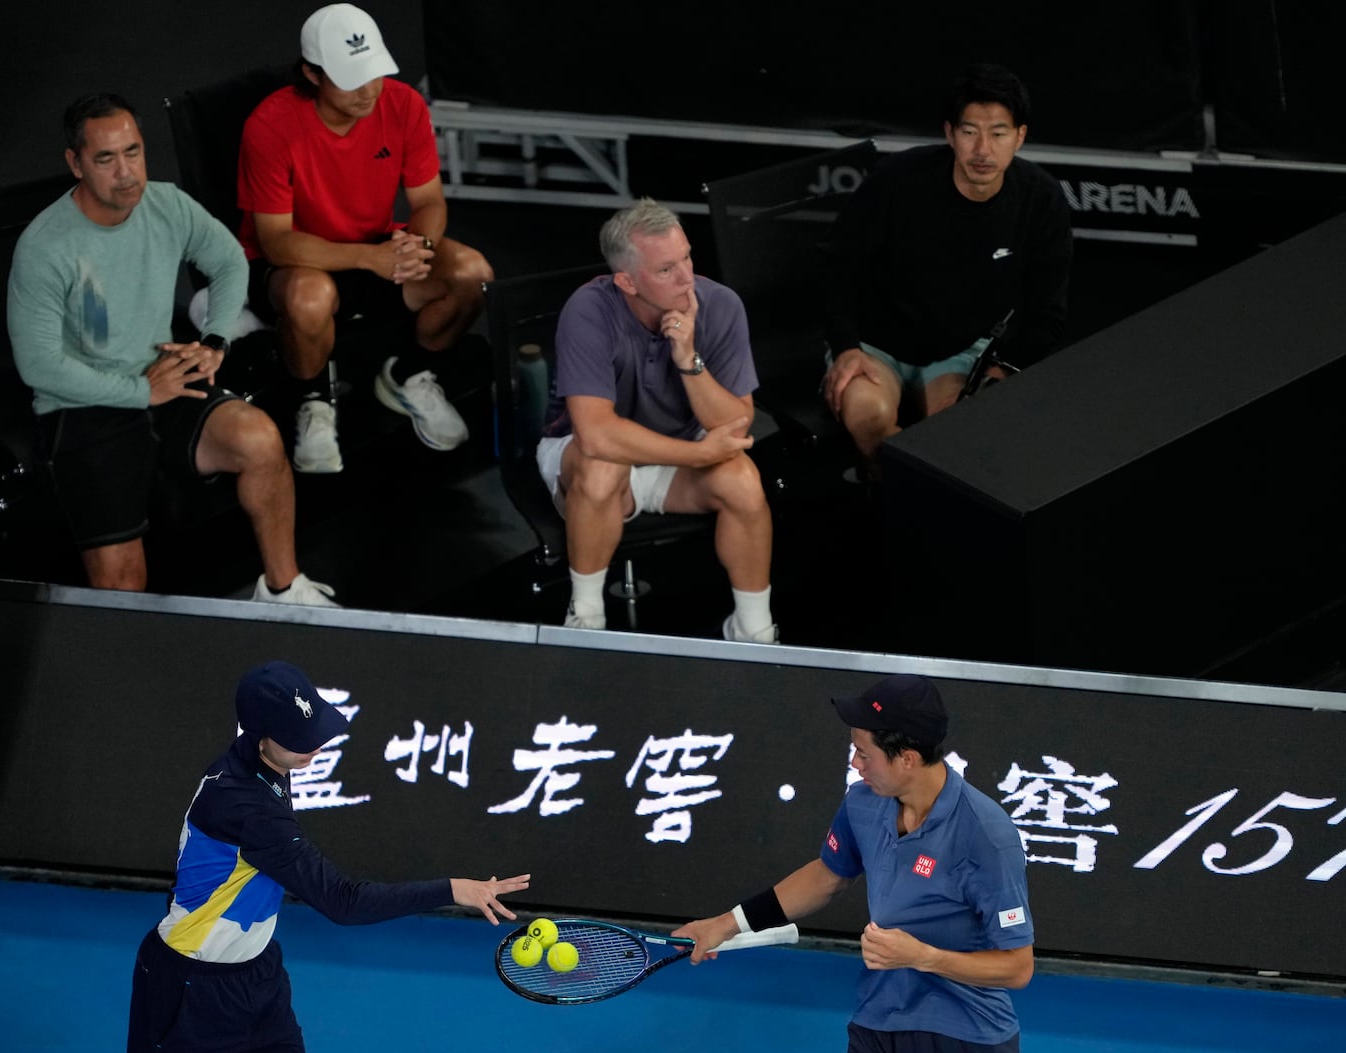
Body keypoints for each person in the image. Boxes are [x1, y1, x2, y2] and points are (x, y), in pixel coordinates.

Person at [8, 93, 337, 606]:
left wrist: (214, 340)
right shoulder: (44, 247)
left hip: (163, 378)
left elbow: (230, 262)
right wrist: (140, 390)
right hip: (85, 405)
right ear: (75, 164)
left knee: (261, 441)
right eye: (105, 158)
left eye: (133, 152)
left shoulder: (167, 204)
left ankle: (282, 589)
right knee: (122, 585)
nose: (126, 173)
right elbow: (39, 366)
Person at [125, 660, 530, 1053]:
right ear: (261, 735)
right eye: (297, 738)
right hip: (192, 988)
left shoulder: (262, 761)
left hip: (258, 971)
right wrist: (453, 890)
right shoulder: (247, 806)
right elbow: (343, 902)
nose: (314, 746)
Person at [674, 674, 1034, 1053]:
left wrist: (923, 956)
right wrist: (724, 925)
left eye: (865, 754)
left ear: (907, 759)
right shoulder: (864, 803)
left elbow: (1017, 967)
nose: (855, 763)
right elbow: (826, 877)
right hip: (876, 1021)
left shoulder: (985, 836)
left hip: (963, 1035)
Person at [237, 3, 494, 473]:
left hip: (378, 246)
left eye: (374, 73)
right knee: (310, 297)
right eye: (351, 79)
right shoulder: (269, 126)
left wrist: (421, 248)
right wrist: (370, 258)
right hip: (298, 262)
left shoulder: (402, 104)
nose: (369, 90)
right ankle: (312, 402)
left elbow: (429, 202)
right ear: (312, 74)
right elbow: (275, 240)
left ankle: (407, 375)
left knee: (473, 274)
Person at [539, 198, 777, 643]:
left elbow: (737, 423)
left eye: (686, 257)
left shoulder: (720, 304)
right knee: (603, 464)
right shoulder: (588, 310)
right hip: (581, 455)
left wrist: (688, 359)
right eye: (666, 269)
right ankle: (586, 618)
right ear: (627, 281)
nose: (687, 277)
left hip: (676, 460)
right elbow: (594, 434)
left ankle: (754, 630)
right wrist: (699, 452)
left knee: (744, 481)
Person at [820, 63, 1073, 477]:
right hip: (875, 344)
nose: (982, 151)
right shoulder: (897, 180)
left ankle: (922, 506)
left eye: (998, 133)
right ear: (949, 133)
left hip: (961, 349)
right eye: (970, 131)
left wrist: (1002, 367)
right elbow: (837, 263)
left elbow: (1049, 311)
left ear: (1020, 137)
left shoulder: (1041, 200)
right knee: (868, 418)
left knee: (960, 433)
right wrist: (845, 345)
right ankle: (887, 495)